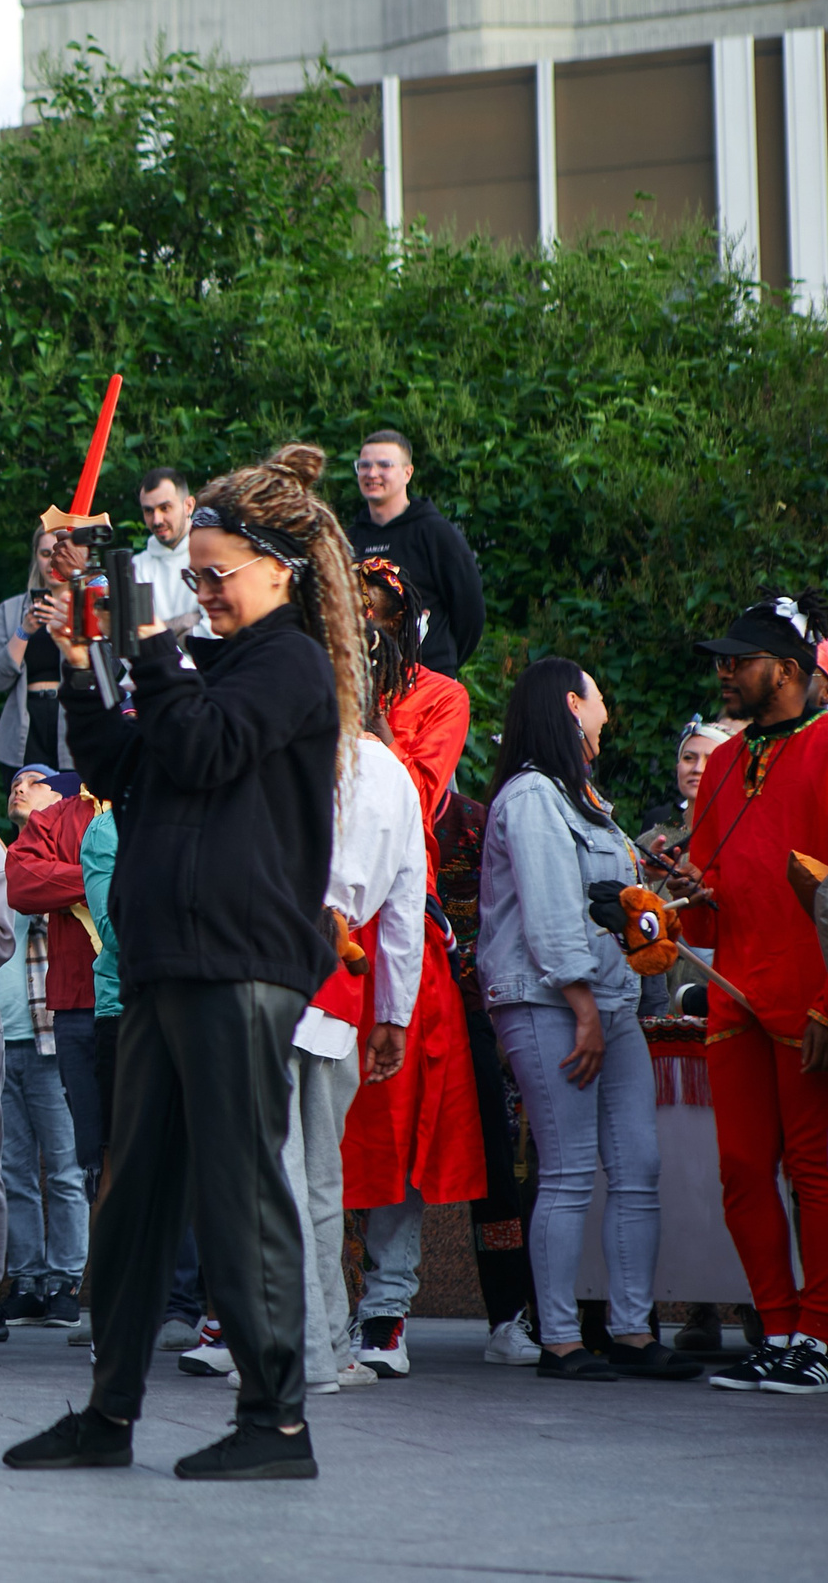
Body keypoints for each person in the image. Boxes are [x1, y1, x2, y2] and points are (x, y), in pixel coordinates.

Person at [6, 442, 357, 1481]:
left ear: (279, 572)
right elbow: (123, 764)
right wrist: (82, 662)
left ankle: (277, 1422)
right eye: (193, 576)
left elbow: (202, 748)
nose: (200, 591)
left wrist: (153, 644)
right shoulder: (214, 665)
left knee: (237, 1190)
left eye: (215, 574)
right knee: (134, 1200)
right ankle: (108, 1412)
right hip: (169, 958)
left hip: (237, 961)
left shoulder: (289, 664)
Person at [675, 596, 828, 1394]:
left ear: (787, 671)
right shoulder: (724, 761)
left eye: (740, 660)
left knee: (814, 1167)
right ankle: (780, 1328)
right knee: (739, 1169)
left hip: (809, 1001)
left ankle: (820, 1336)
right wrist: (676, 899)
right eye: (723, 660)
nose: (725, 672)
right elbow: (708, 903)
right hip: (735, 995)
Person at [479, 658, 701, 1382]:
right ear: (573, 706)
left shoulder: (585, 801)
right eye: (600, 698)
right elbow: (549, 916)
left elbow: (614, 906)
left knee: (638, 1165)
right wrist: (584, 1011)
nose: (607, 712)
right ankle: (560, 1339)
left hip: (609, 1001)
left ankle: (633, 1331)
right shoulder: (532, 797)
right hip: (552, 1002)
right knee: (570, 1169)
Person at [340, 557, 487, 1377]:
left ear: (406, 621)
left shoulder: (440, 695)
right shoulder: (309, 686)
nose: (363, 622)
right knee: (308, 1118)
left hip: (399, 919)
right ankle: (296, 1305)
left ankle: (387, 1307)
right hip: (310, 917)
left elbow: (417, 797)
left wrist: (366, 720)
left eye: (377, 609)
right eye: (350, 607)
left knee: (395, 1121)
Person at [253, 721, 424, 1395]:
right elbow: (405, 906)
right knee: (320, 1179)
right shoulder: (395, 774)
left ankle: (301, 1351)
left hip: (272, 964)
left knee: (281, 1174)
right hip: (340, 987)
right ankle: (324, 1341)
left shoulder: (280, 745)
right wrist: (394, 1012)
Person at [0, 769, 88, 1330]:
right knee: (15, 1170)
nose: (19, 788)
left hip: (50, 1035)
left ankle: (66, 1281)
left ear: (64, 799)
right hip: (0, 1040)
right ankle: (26, 1280)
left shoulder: (67, 847)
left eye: (36, 782)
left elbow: (38, 899)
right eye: (15, 783)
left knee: (66, 1168)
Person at [348, 429, 484, 674]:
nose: (372, 473)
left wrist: (441, 660)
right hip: (365, 679)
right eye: (364, 465)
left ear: (407, 473)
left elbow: (470, 613)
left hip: (428, 677)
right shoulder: (349, 539)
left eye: (384, 465)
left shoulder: (436, 533)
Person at [0, 529, 68, 783]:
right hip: (25, 724)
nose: (52, 562)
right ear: (35, 558)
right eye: (45, 554)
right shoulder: (9, 610)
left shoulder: (88, 606)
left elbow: (111, 670)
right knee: (25, 802)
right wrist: (24, 630)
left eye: (59, 554)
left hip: (72, 720)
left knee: (75, 804)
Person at [130, 468, 207, 639]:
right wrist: (185, 622)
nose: (157, 520)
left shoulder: (211, 555)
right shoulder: (137, 567)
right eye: (149, 511)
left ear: (188, 506)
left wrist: (158, 633)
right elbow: (136, 642)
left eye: (165, 508)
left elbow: (215, 634)